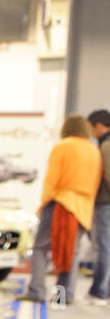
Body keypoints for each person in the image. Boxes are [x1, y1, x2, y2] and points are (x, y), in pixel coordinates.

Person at [19, 114, 102, 305]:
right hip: (82, 208)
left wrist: (43, 203)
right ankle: (64, 295)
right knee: (71, 252)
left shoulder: (63, 146)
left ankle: (37, 290)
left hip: (60, 203)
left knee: (41, 247)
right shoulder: (93, 150)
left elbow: (52, 179)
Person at [87, 108, 110, 305]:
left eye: (92, 128)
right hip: (104, 203)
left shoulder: (106, 145)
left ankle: (100, 292)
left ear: (100, 126)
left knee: (103, 246)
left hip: (105, 203)